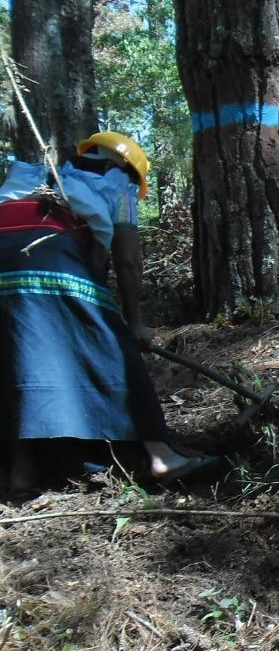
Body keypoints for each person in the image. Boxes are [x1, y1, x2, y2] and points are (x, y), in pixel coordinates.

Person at [0, 132, 215, 495]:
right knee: (117, 351)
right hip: (53, 263)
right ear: (126, 168)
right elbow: (128, 262)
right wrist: (133, 323)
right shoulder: (119, 187)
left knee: (12, 358)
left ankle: (22, 469)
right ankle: (162, 456)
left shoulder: (32, 177)